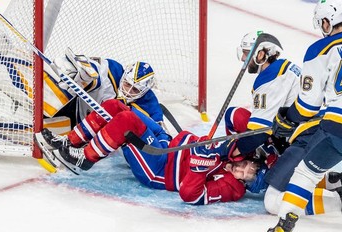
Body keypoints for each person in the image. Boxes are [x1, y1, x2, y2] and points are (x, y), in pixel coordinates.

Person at [35, 98, 263, 205]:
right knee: (115, 106)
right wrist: (264, 131)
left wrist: (199, 163)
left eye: (246, 175)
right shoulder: (239, 154)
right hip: (168, 146)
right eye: (249, 165)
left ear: (246, 184)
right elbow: (235, 115)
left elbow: (190, 195)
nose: (242, 169)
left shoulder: (231, 188)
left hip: (159, 169)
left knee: (125, 122)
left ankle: (83, 159)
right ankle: (70, 142)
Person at [268, 0, 342, 231]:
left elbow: (307, 108)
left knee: (306, 173)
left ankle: (284, 224)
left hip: (341, 128)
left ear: (326, 22)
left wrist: (287, 118)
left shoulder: (318, 51)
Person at [224, 31, 301, 193]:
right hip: (299, 134)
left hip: (299, 145)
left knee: (272, 195)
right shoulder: (283, 68)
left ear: (261, 54)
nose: (243, 59)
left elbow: (260, 132)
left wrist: (233, 154)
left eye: (246, 53)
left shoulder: (270, 79)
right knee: (234, 115)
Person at [44, 48, 163, 127]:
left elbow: (157, 132)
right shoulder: (113, 71)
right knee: (60, 92)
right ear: (124, 75)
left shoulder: (149, 106)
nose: (128, 91)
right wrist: (83, 70)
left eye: (135, 90)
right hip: (76, 109)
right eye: (127, 84)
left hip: (95, 141)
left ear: (145, 91)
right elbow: (97, 68)